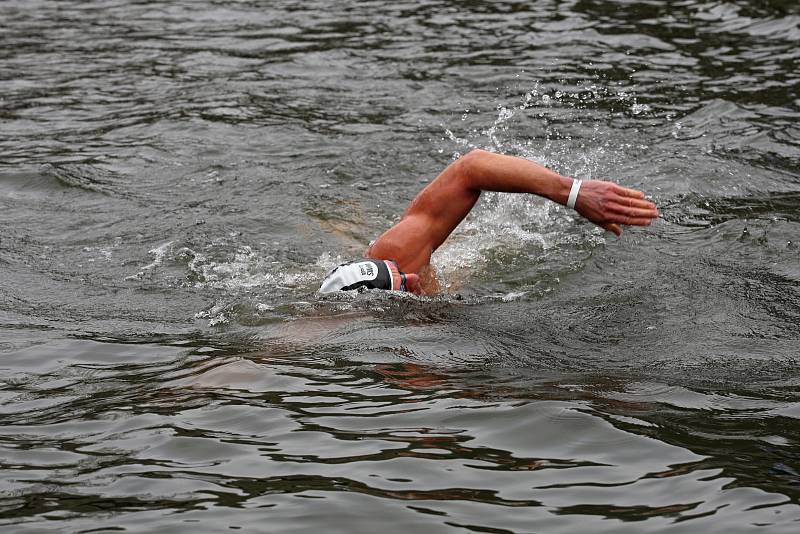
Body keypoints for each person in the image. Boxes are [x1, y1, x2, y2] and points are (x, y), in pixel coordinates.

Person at [320, 149, 659, 295]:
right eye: (401, 285)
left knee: (458, 258)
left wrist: (572, 192)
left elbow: (472, 167)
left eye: (401, 271)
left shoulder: (397, 254)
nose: (412, 277)